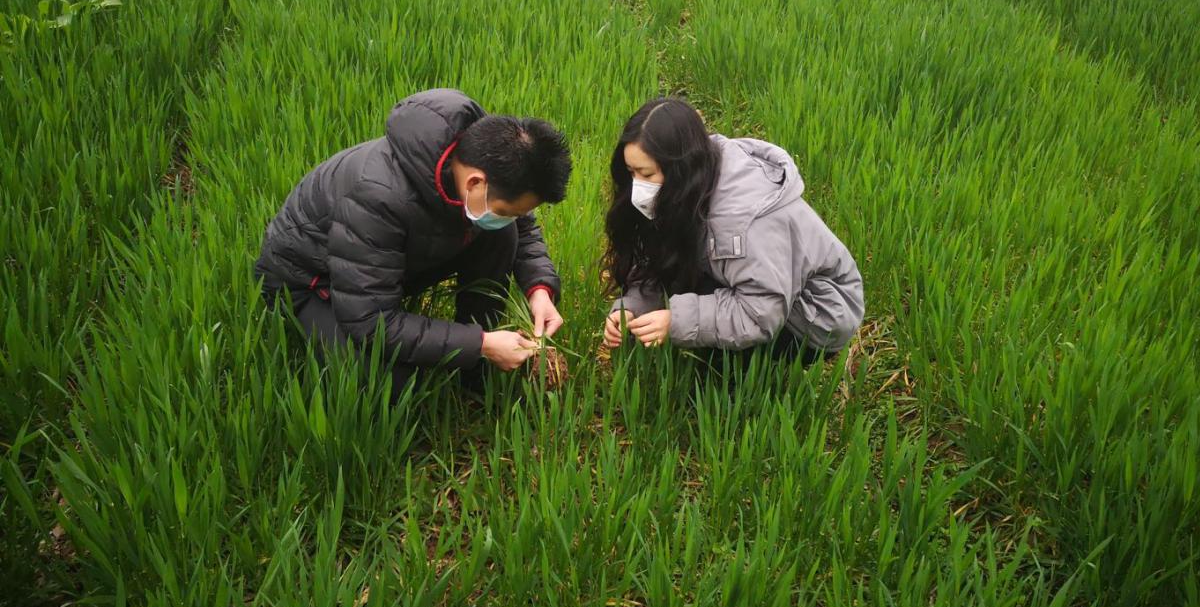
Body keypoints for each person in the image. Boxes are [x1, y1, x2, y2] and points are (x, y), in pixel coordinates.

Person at [255, 88, 571, 398]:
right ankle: (484, 347)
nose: (513, 217)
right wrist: (480, 345)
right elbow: (370, 322)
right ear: (475, 183)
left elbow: (522, 224)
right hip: (309, 282)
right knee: (389, 385)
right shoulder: (377, 197)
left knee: (503, 234)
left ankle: (477, 364)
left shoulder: (489, 160)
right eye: (508, 211)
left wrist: (539, 289)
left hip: (376, 265)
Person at [602, 97, 863, 364]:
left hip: (814, 317)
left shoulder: (741, 223)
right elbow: (661, 258)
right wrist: (631, 308)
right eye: (630, 172)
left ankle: (750, 385)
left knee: (716, 361)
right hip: (764, 288)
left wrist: (676, 320)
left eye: (646, 175)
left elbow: (760, 312)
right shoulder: (692, 181)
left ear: (679, 168)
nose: (637, 187)